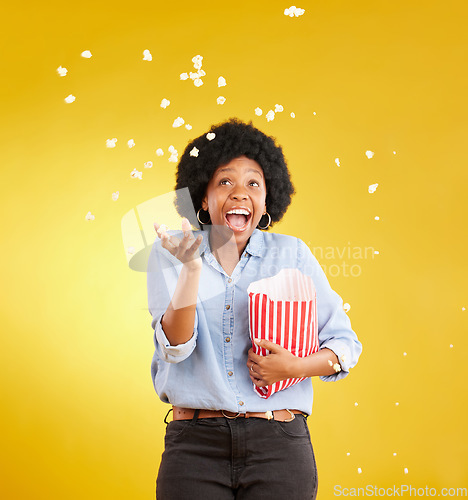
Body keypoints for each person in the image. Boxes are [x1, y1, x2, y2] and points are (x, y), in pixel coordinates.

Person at [147, 117, 362, 499]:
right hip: (195, 446)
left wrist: (295, 367)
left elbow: (344, 346)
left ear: (266, 201)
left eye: (253, 183)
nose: (239, 192)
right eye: (225, 181)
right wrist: (191, 270)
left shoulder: (293, 254)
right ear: (203, 197)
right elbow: (174, 348)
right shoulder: (173, 252)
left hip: (278, 445)